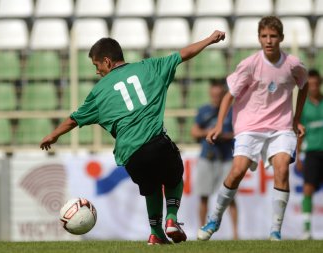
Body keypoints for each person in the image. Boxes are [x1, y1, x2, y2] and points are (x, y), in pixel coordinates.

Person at [40, 31, 226, 245]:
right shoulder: (149, 67)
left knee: (151, 187)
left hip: (130, 156)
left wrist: (53, 135)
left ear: (107, 62)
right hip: (156, 144)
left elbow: (74, 120)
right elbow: (182, 55)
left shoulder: (98, 92)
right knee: (174, 175)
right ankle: (172, 219)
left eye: (96, 65)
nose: (98, 71)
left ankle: (156, 233)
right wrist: (210, 39)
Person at [197, 16, 308, 241]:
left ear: (281, 38)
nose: (269, 40)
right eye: (264, 36)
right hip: (250, 126)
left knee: (282, 167)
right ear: (259, 38)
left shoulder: (293, 64)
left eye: (273, 36)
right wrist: (219, 125)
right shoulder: (250, 65)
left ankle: (275, 231)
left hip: (281, 127)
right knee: (237, 170)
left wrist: (296, 119)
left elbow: (303, 86)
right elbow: (229, 97)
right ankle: (215, 218)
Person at [191, 79, 238, 240]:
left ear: (223, 94)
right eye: (214, 95)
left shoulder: (231, 112)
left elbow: (238, 132)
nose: (216, 98)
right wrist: (208, 133)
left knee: (230, 197)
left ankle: (235, 234)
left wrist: (222, 135)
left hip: (225, 158)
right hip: (207, 157)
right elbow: (194, 132)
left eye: (219, 95)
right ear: (210, 94)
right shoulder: (204, 110)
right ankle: (201, 228)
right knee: (203, 196)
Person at [296, 69, 323, 240]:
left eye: (316, 84)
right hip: (312, 152)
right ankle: (306, 231)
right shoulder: (303, 107)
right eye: (310, 85)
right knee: (308, 189)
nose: (313, 87)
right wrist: (298, 155)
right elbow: (300, 132)